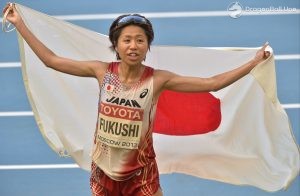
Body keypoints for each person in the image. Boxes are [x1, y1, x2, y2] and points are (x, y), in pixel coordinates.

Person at [3, 3, 270, 196]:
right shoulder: (101, 71)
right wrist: (19, 23)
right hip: (103, 171)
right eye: (127, 40)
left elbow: (211, 83)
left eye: (140, 40)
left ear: (147, 46)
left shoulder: (158, 79)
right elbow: (51, 61)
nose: (133, 46)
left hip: (141, 175)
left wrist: (253, 62)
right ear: (116, 45)